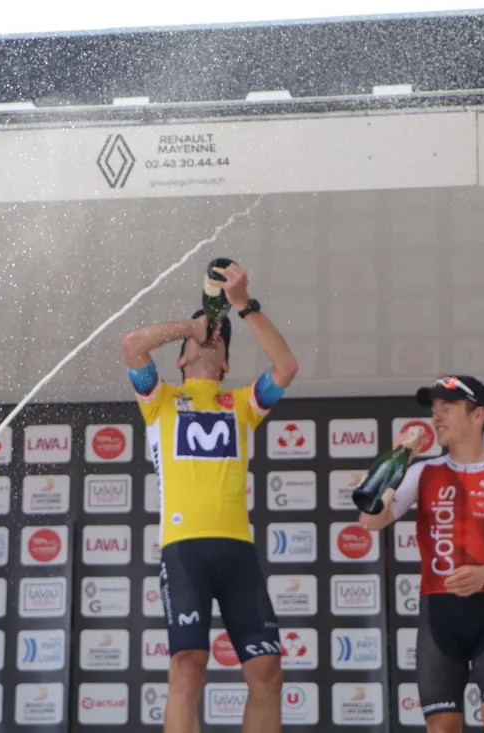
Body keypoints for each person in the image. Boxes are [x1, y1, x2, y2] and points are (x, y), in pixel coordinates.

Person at [121, 261, 298, 733]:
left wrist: (243, 308)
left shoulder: (243, 404)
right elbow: (132, 345)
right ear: (180, 359)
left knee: (267, 673)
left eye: (219, 340)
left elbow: (286, 367)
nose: (209, 338)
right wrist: (191, 324)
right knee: (187, 669)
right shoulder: (160, 399)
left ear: (225, 364)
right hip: (185, 550)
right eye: (197, 339)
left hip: (237, 551)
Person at [360, 375, 484, 733]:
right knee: (442, 728)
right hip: (439, 617)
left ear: (477, 415)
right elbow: (370, 520)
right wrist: (396, 458)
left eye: (447, 408)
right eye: (434, 409)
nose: (437, 417)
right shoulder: (422, 472)